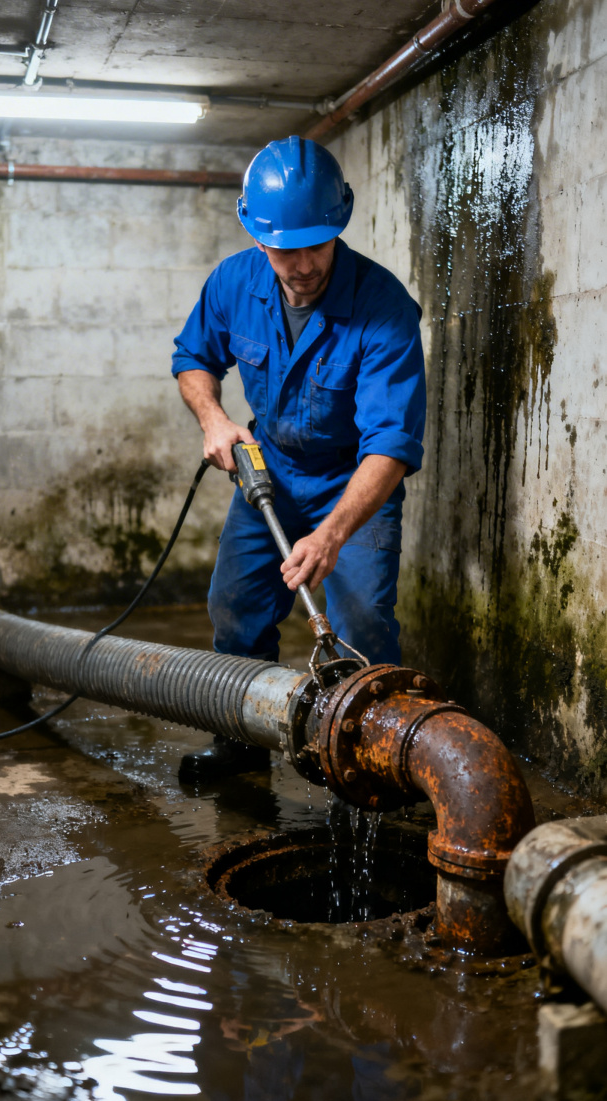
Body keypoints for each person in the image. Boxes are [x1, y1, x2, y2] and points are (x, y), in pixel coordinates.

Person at [172, 135, 426, 779]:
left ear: (339, 224)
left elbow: (391, 444)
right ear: (259, 238)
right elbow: (193, 358)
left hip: (353, 481)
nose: (304, 263)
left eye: (317, 244)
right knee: (234, 607)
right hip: (270, 470)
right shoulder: (234, 282)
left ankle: (369, 770)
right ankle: (240, 744)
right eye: (287, 249)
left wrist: (333, 534)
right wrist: (215, 418)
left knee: (363, 622)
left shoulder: (383, 308)